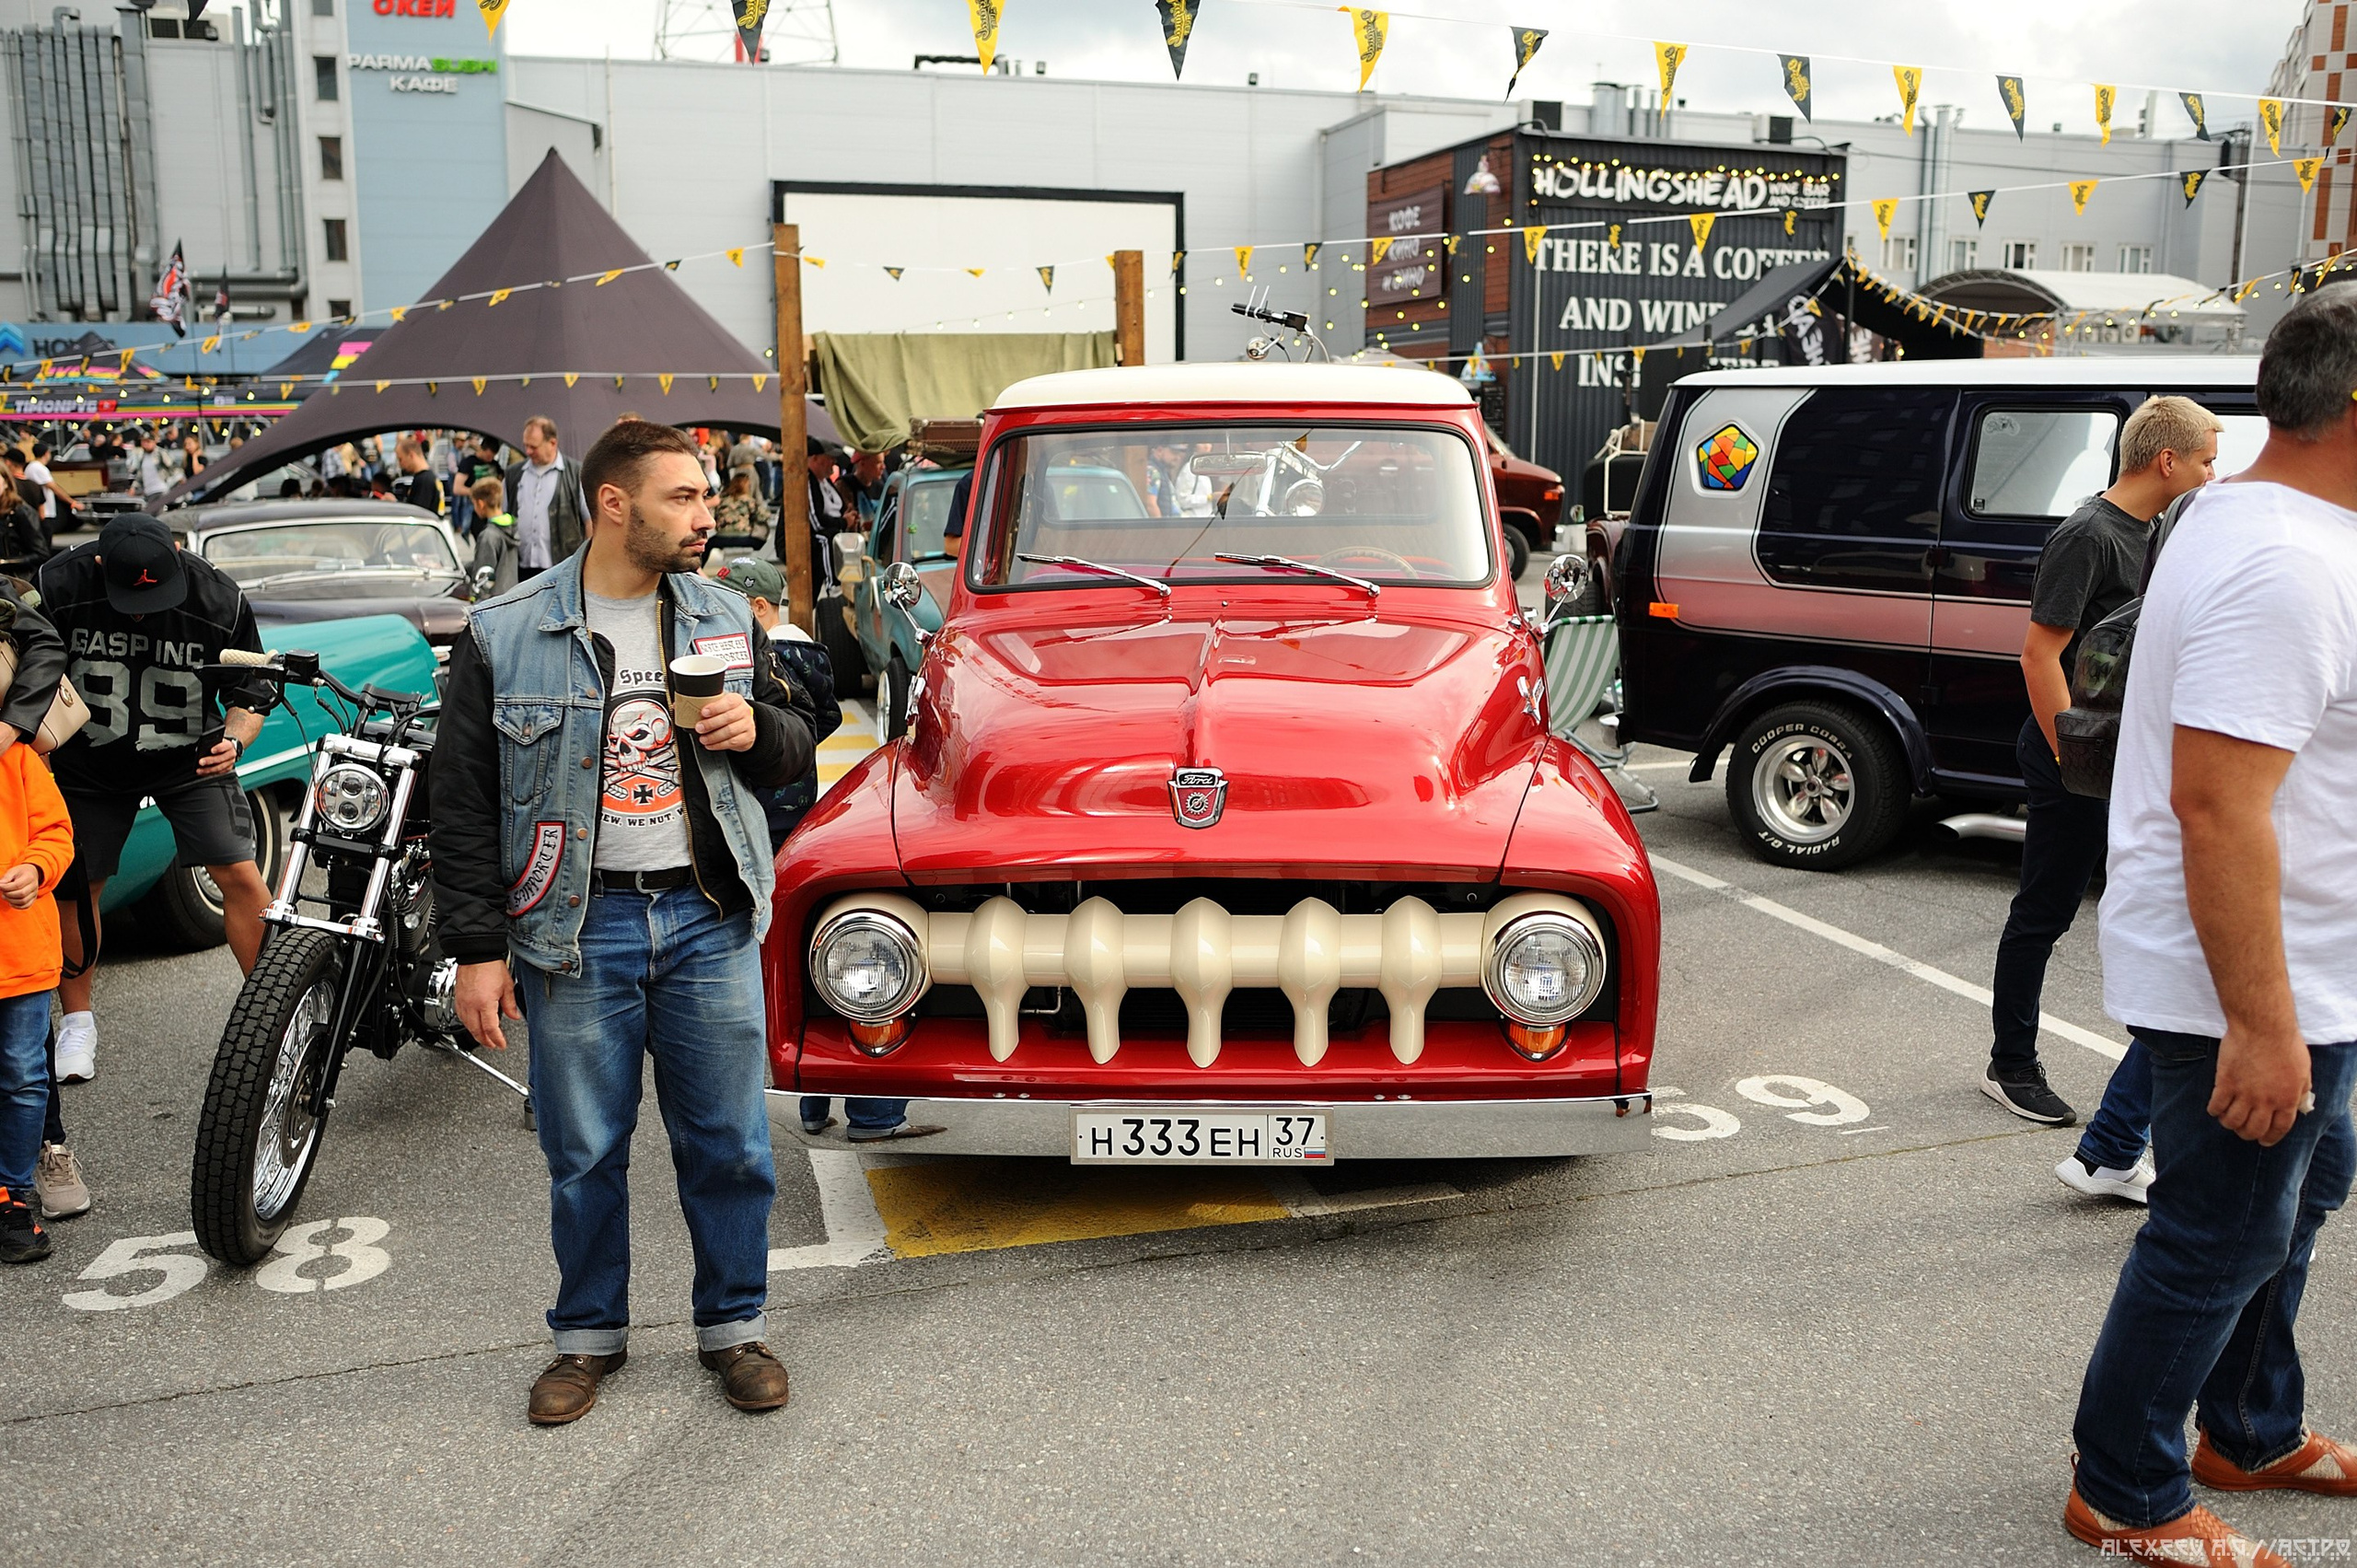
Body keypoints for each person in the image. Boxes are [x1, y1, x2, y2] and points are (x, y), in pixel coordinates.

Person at [431, 418, 812, 1425]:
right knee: (585, 1150)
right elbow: (461, 803)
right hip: (575, 925)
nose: (705, 514)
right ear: (613, 503)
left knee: (730, 1142)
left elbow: (796, 747)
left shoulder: (724, 613)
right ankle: (588, 1335)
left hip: (705, 914)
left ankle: (734, 1326)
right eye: (683, 497)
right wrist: (476, 949)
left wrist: (758, 729)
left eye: (706, 495)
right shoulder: (505, 631)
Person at [2061, 288, 2357, 1566]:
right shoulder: (2284, 560)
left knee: (2298, 1197)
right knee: (2221, 1229)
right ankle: (2125, 1485)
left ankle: (2245, 1425)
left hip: (2313, 960)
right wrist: (2259, 1022)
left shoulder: (2245, 511)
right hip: (2255, 973)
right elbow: (2218, 806)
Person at [1982, 397, 2222, 1135]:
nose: (2213, 476)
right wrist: (2072, 757)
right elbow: (2039, 655)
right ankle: (2010, 1064)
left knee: (2149, 907)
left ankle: (2150, 1084)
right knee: (2044, 911)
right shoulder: (2089, 533)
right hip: (2074, 756)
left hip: (2123, 755)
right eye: (2207, 461)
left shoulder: (2154, 528)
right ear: (2167, 461)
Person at [37, 517, 273, 1084]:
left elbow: (252, 691)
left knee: (239, 871)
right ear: (99, 564)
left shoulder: (218, 597)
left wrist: (236, 740)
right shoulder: (58, 585)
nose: (142, 611)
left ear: (178, 554)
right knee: (79, 886)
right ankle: (78, 1022)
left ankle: (275, 1012)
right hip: (88, 761)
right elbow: (27, 675)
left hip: (189, 758)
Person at [0, 711, 72, 1263]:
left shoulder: (18, 758)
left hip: (21, 954)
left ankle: (13, 1194)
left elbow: (56, 834)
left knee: (24, 1076)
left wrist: (36, 868)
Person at [505, 416, 587, 581]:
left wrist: (584, 562)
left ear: (552, 443)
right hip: (520, 569)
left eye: (533, 447)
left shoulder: (576, 474)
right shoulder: (513, 475)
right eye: (526, 445)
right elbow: (503, 516)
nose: (528, 451)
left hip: (562, 569)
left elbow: (590, 522)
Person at [467, 475, 519, 597]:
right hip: (511, 596)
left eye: (474, 504)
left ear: (480, 504)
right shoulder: (514, 527)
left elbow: (483, 575)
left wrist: (475, 598)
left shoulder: (488, 536)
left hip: (493, 601)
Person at [710, 469, 770, 551]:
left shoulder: (722, 499)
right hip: (743, 537)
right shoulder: (748, 500)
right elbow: (762, 517)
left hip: (722, 537)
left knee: (707, 546)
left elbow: (713, 516)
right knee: (762, 542)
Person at [392, 436, 443, 516]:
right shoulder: (427, 476)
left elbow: (418, 513)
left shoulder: (424, 480)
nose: (400, 464)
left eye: (400, 459)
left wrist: (395, 504)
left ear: (411, 455)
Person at [22, 442, 59, 541]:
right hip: (44, 512)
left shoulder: (31, 467)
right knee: (45, 539)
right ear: (46, 453)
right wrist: (71, 501)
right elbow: (52, 486)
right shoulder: (38, 468)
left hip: (41, 511)